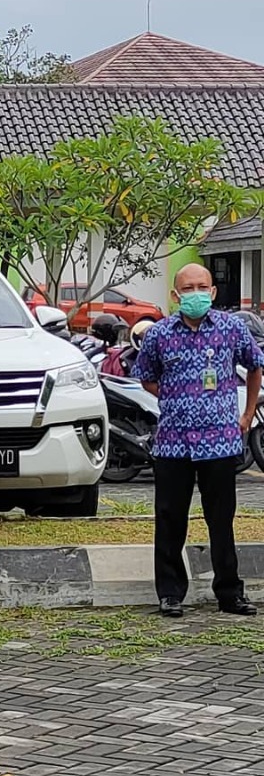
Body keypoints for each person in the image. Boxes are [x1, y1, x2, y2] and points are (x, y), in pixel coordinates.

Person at [132, 262, 264, 619]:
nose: (195, 294)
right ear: (175, 295)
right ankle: (171, 593)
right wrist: (177, 398)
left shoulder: (232, 328)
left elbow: (255, 366)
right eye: (187, 288)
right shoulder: (159, 335)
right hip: (174, 442)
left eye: (201, 286)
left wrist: (248, 413)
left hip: (220, 441)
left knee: (221, 519)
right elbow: (145, 377)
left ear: (213, 291)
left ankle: (229, 593)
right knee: (170, 517)